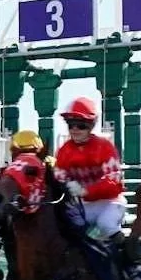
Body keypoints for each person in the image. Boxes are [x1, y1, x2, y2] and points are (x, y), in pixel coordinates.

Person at [53, 98, 128, 242]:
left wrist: (86, 191)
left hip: (109, 202)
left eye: (80, 125)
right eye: (70, 124)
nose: (75, 129)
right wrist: (66, 185)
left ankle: (125, 258)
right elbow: (59, 176)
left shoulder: (105, 147)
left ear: (91, 126)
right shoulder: (64, 150)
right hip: (82, 206)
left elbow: (113, 181)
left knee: (106, 225)